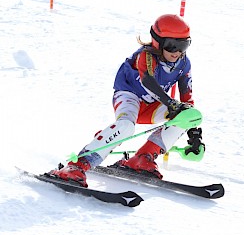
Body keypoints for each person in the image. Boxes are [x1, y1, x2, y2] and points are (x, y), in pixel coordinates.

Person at [50, 14, 205, 187]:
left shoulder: (184, 64)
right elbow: (148, 81)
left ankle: (142, 158)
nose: (177, 52)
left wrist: (194, 133)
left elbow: (187, 99)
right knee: (126, 126)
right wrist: (171, 104)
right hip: (129, 96)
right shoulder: (146, 56)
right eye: (172, 45)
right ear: (157, 42)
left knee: (187, 115)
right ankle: (76, 165)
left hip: (153, 106)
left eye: (183, 45)